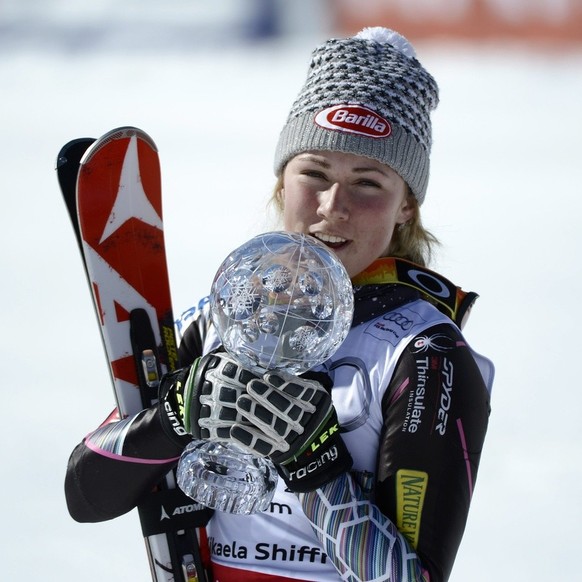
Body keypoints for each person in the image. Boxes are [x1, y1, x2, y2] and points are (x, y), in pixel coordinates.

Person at [65, 27, 493, 582]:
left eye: (368, 183)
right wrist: (173, 418)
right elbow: (86, 494)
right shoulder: (227, 318)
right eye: (313, 173)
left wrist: (312, 462)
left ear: (406, 205)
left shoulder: (425, 352)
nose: (333, 206)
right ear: (280, 181)